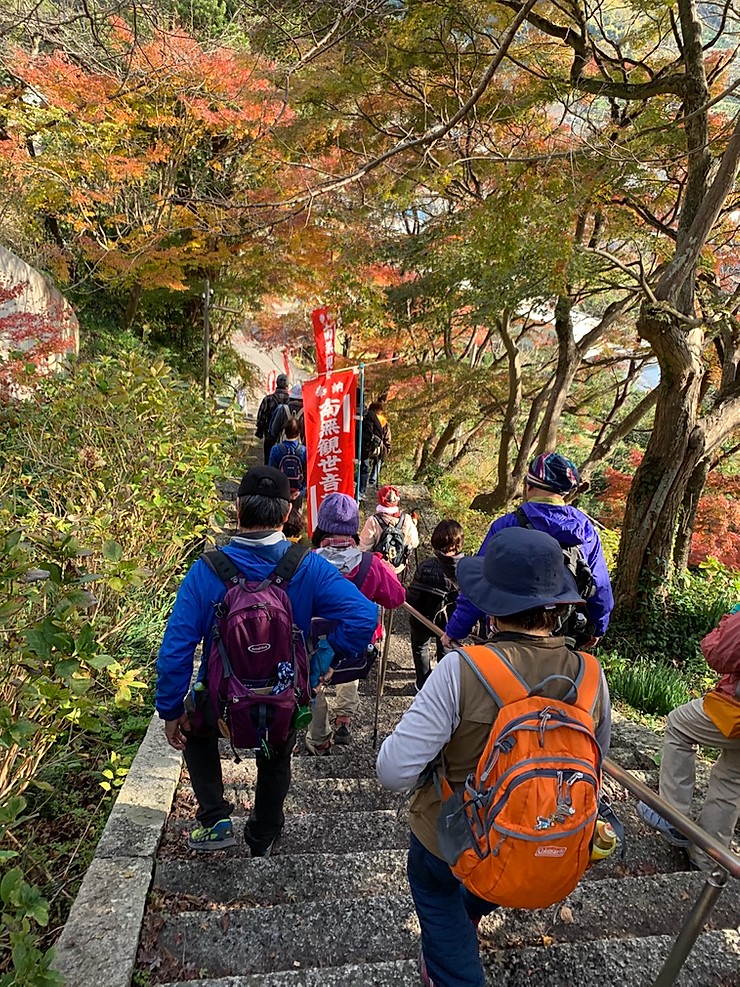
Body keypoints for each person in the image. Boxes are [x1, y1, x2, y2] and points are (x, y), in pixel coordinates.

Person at [377, 527, 612, 987]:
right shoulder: (591, 676)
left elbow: (393, 770)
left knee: (435, 890)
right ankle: (471, 913)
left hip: (449, 834)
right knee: (502, 859)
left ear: (489, 603)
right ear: (559, 607)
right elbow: (595, 757)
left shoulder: (461, 670)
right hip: (542, 828)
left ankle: (453, 965)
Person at [156, 466, 377, 856]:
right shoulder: (307, 566)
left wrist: (170, 708)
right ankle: (263, 835)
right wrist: (330, 657)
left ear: (238, 507)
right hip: (285, 695)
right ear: (286, 511)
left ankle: (214, 819)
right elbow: (363, 615)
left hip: (221, 698)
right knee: (276, 757)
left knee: (194, 725)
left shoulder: (206, 571)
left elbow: (176, 647)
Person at [442, 451, 613, 650]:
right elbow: (600, 587)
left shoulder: (507, 525)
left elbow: (482, 585)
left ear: (529, 485)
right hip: (562, 636)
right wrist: (598, 628)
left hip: (508, 635)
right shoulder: (586, 530)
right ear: (565, 492)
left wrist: (455, 630)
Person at [637, 606, 740, 870]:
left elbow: (719, 653)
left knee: (679, 726)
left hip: (736, 709)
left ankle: (673, 815)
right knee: (731, 780)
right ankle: (707, 860)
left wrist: (729, 617)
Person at [305, 493, 405, 753]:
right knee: (349, 664)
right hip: (356, 648)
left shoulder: (305, 563)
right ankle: (344, 719)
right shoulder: (371, 565)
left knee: (313, 683)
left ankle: (319, 738)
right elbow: (396, 598)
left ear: (320, 526)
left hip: (314, 645)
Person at [406, 519, 465, 692]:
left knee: (420, 648)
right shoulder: (468, 569)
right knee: (447, 654)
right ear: (459, 544)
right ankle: (442, 686)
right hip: (451, 625)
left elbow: (412, 599)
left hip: (422, 620)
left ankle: (422, 684)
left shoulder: (425, 566)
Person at [359, 484, 419, 574]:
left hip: (379, 568)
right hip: (398, 566)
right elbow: (414, 543)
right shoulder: (406, 519)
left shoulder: (373, 521)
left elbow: (363, 548)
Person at [268, 417, 307, 506]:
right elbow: (307, 474)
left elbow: (271, 471)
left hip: (281, 490)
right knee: (297, 516)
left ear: (284, 432)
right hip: (297, 490)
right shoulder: (304, 451)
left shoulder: (276, 449)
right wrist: (301, 490)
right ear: (299, 433)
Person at [360, 400, 392, 496]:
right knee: (379, 460)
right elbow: (387, 437)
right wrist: (387, 448)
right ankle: (373, 479)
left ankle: (362, 484)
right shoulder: (383, 421)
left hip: (364, 446)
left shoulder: (365, 417)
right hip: (378, 447)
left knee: (364, 465)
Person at [255, 374, 290, 464]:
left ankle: (268, 474)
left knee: (268, 458)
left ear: (276, 384)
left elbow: (261, 417)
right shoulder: (291, 401)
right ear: (287, 386)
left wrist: (260, 431)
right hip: (286, 436)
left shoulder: (268, 399)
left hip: (269, 435)